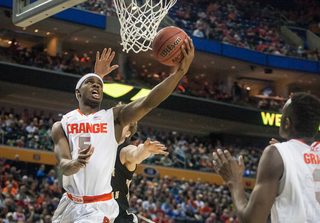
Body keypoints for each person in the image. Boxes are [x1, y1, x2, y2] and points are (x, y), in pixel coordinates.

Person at [52, 40, 194, 223]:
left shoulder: (113, 118)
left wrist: (180, 72)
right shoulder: (62, 124)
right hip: (69, 202)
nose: (97, 86)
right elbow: (63, 164)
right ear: (78, 93)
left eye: (99, 84)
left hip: (98, 206)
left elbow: (149, 102)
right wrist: (76, 163)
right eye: (90, 83)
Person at [213, 92, 320, 223]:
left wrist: (234, 181)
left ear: (287, 123)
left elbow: (252, 221)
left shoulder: (276, 154)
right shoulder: (291, 154)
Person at [111, 113, 168, 223]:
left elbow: (136, 154)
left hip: (117, 217)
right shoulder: (98, 147)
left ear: (128, 133)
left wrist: (145, 150)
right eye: (115, 122)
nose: (116, 126)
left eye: (122, 124)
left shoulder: (124, 150)